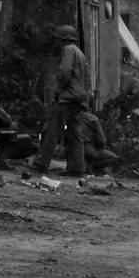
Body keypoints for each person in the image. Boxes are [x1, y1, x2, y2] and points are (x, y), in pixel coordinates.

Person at [33, 23, 90, 177]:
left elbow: (65, 72)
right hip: (79, 98)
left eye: (58, 40)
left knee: (52, 130)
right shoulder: (80, 53)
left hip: (67, 97)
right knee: (75, 134)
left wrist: (58, 90)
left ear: (63, 39)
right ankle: (77, 168)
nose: (56, 43)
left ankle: (41, 164)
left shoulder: (68, 50)